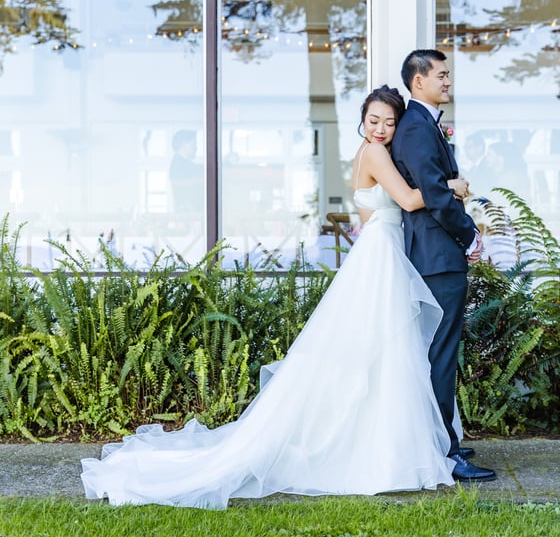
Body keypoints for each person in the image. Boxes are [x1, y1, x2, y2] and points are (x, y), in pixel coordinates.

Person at [80, 85, 473, 509]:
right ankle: (386, 449)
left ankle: (389, 443)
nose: (380, 129)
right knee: (385, 350)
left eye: (389, 123)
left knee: (377, 352)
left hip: (381, 249)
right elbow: (412, 199)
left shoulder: (367, 152)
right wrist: (455, 185)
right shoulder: (376, 153)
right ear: (363, 118)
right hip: (382, 252)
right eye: (374, 120)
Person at [391, 49, 497, 483]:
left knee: (438, 352)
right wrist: (470, 233)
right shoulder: (416, 128)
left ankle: (439, 437)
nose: (448, 81)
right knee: (441, 354)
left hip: (436, 254)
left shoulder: (422, 125)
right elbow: (435, 195)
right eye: (441, 75)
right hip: (436, 256)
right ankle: (446, 452)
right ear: (419, 81)